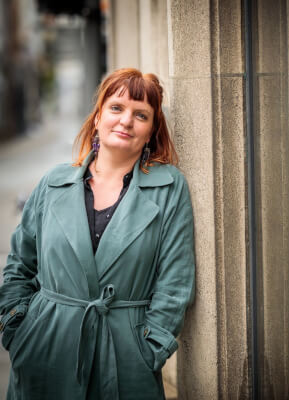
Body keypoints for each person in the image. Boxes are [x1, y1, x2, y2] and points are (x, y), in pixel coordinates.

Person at [0, 68, 195, 400]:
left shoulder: (168, 188)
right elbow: (20, 264)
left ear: (150, 132)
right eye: (116, 108)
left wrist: (150, 349)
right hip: (44, 348)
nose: (126, 120)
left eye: (141, 115)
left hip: (126, 357)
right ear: (97, 118)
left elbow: (176, 280)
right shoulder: (53, 183)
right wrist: (17, 328)